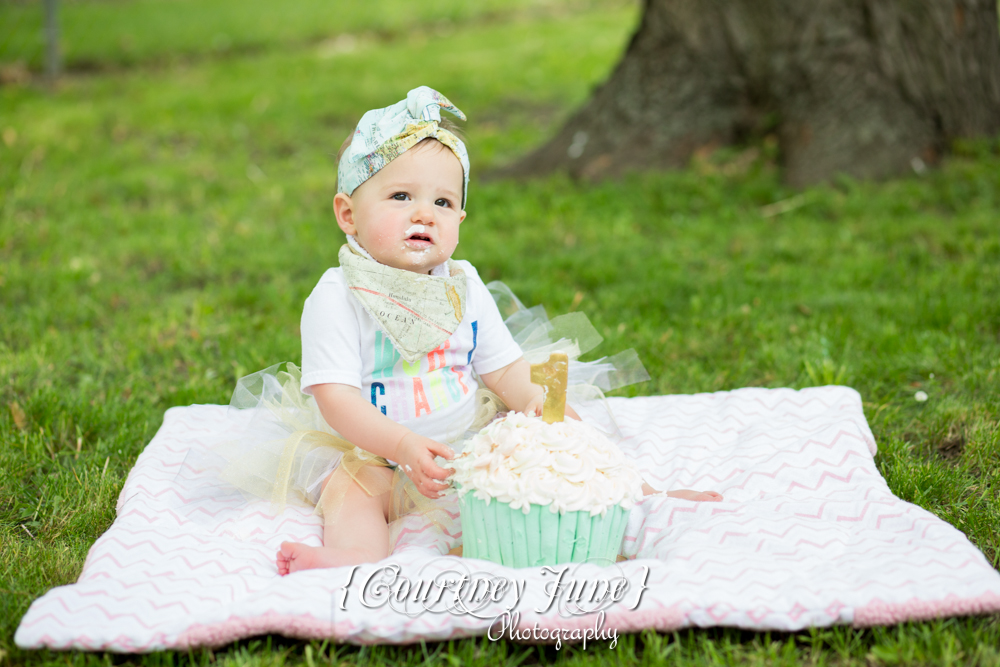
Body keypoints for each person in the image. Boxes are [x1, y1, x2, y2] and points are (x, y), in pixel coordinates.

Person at [233, 87, 721, 575]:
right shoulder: (337, 295)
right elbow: (335, 397)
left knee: (547, 447)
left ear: (459, 219)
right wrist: (400, 446)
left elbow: (504, 366)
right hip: (373, 450)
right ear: (348, 214)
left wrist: (538, 406)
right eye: (401, 196)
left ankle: (638, 494)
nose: (424, 213)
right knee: (356, 490)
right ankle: (355, 554)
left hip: (465, 438)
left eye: (442, 202)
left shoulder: (461, 286)